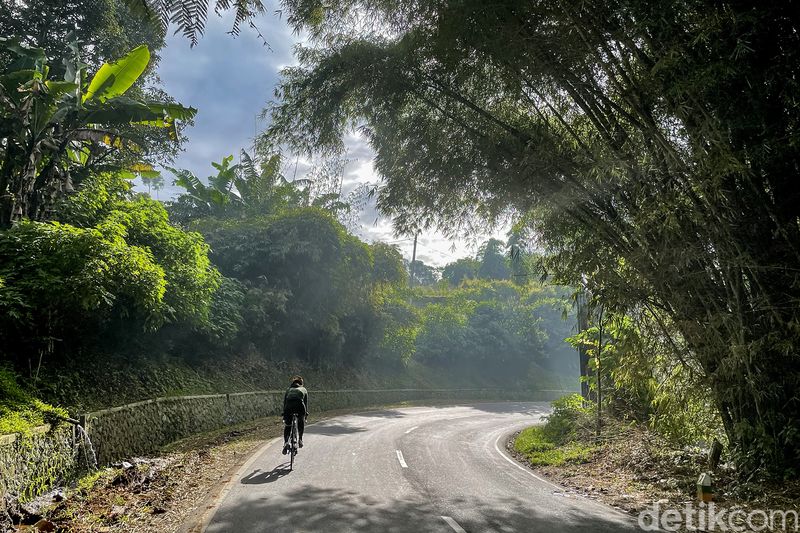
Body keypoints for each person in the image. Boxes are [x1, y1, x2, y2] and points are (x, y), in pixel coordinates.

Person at [282, 375, 308, 454]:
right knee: (301, 421)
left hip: (288, 407)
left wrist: (284, 413)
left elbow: (285, 402)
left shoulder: (288, 389)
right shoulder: (303, 389)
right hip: (300, 407)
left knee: (288, 425)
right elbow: (305, 403)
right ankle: (300, 439)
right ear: (301, 383)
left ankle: (286, 442)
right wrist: (305, 415)